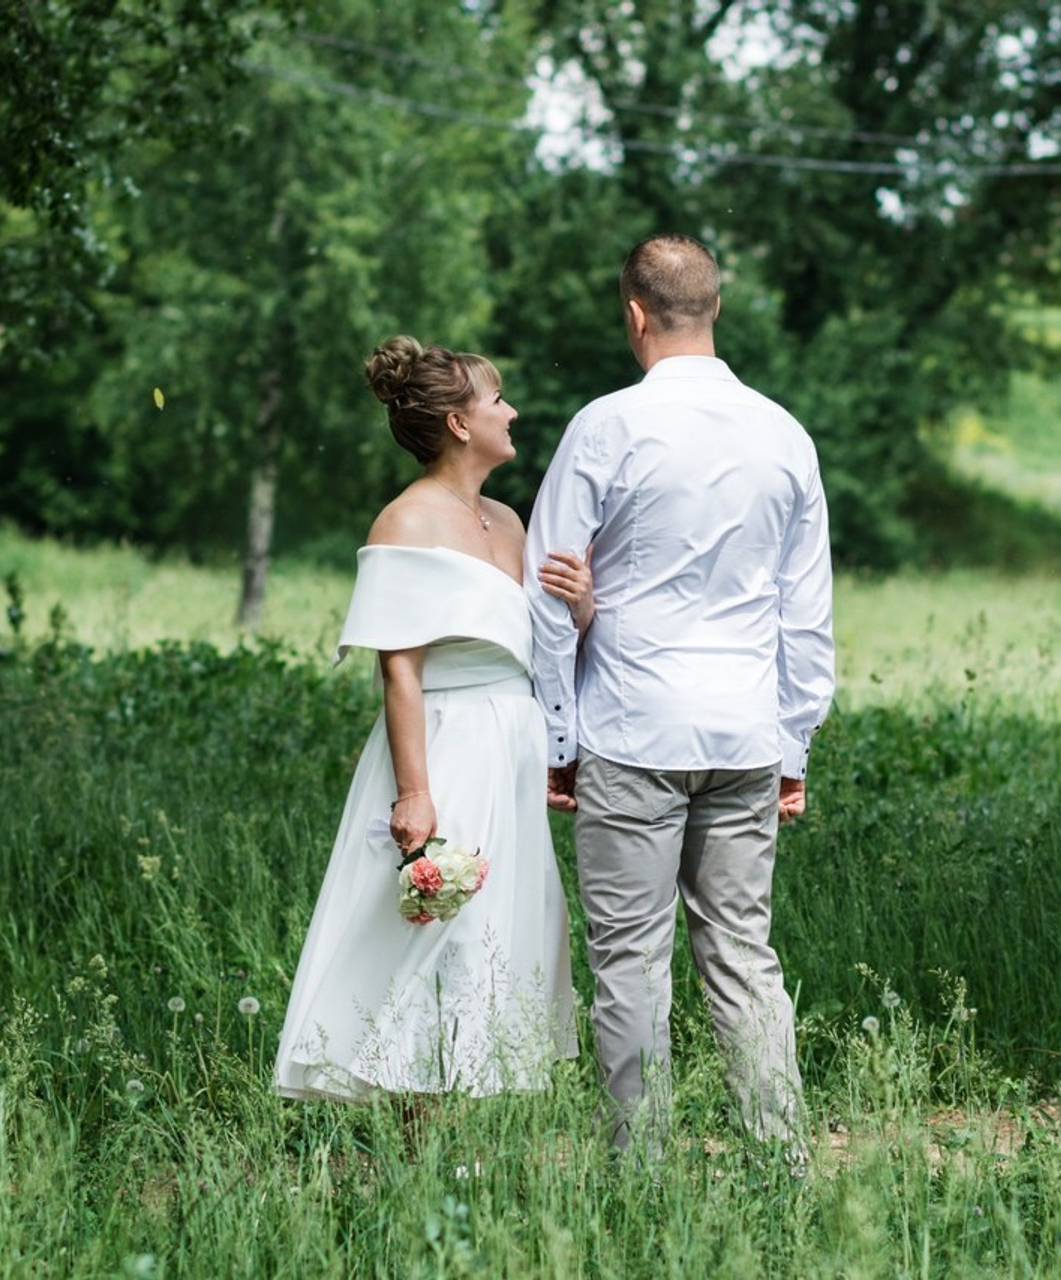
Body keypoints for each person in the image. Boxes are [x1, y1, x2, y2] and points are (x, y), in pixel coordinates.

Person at [524, 233, 835, 1160]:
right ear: (715, 308)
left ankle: (640, 1173)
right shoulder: (784, 434)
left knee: (629, 961)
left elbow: (549, 590)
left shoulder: (605, 427)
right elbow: (805, 614)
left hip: (631, 730)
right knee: (743, 954)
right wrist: (793, 748)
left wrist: (558, 738)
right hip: (744, 737)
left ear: (634, 314)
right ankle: (782, 1160)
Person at [273, 336, 590, 1104]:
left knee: (502, 927)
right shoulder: (406, 522)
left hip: (514, 744)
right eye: (497, 400)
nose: (512, 412)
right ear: (458, 423)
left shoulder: (508, 521)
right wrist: (415, 792)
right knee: (442, 923)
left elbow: (541, 643)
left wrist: (581, 607)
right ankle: (418, 1122)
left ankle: (481, 1110)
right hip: (449, 742)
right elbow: (400, 670)